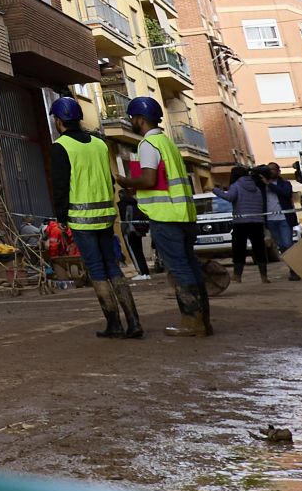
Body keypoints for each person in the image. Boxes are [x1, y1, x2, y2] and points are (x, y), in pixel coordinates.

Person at [48, 96, 142, 339]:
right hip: (106, 215)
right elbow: (109, 179)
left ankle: (114, 324)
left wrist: (61, 216)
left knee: (97, 270)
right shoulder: (100, 143)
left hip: (81, 218)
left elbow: (60, 186)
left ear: (59, 121)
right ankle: (133, 322)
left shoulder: (61, 147)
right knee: (113, 267)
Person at [123, 96, 211, 336]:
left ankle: (192, 322)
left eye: (132, 118)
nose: (131, 121)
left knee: (180, 268)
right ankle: (204, 321)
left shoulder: (148, 145)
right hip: (184, 215)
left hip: (166, 217)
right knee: (190, 265)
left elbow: (149, 179)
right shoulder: (168, 143)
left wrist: (126, 180)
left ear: (140, 120)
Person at [215, 165, 273, 284]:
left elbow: (229, 197)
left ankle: (237, 275)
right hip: (256, 222)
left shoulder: (236, 186)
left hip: (241, 222)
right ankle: (264, 276)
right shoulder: (255, 187)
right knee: (259, 248)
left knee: (239, 249)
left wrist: (216, 191)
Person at [262, 163, 299, 279]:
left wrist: (270, 185)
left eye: (273, 169)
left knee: (288, 244)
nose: (271, 171)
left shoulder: (285, 184)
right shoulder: (261, 186)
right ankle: (292, 268)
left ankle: (296, 270)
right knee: (282, 246)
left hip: (284, 218)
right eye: (269, 169)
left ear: (279, 171)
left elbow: (286, 193)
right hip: (271, 220)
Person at [118, 190, 151, 280]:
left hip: (129, 230)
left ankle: (142, 272)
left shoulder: (123, 204)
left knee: (134, 252)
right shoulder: (135, 203)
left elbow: (126, 218)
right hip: (138, 229)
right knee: (139, 251)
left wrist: (125, 230)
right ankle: (145, 272)